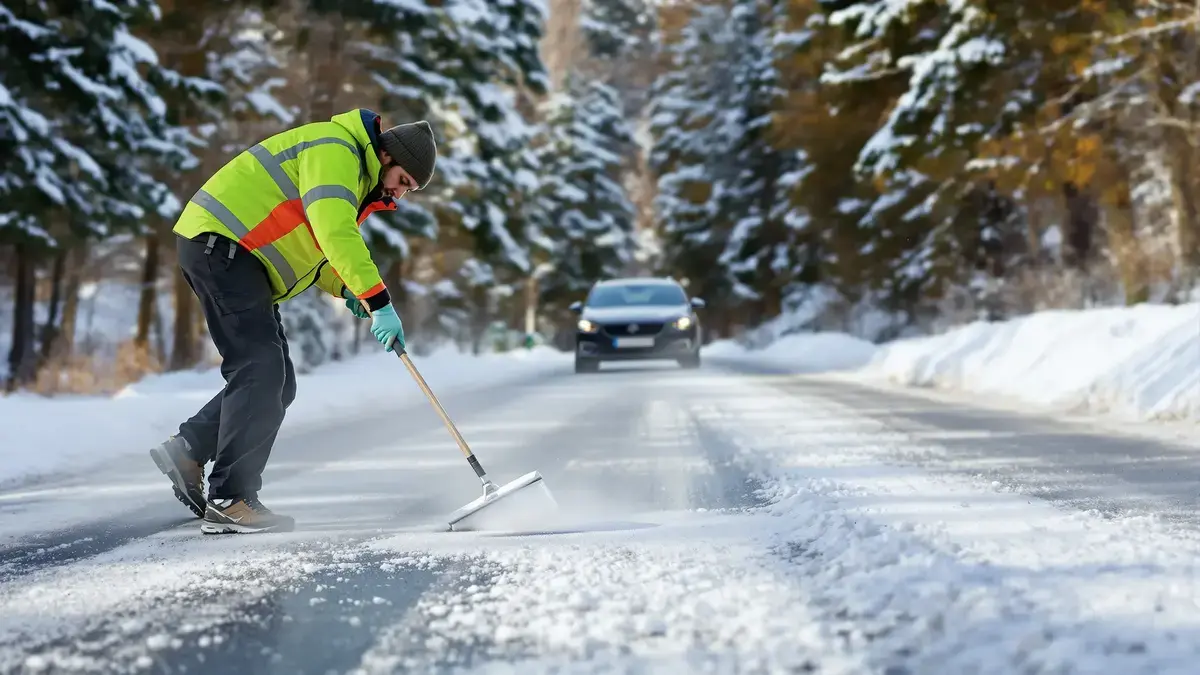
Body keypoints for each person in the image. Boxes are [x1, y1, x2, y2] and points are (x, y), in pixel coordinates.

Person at [148, 108, 437, 535]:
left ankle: (189, 449)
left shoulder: (353, 173)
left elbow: (317, 251)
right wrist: (379, 301)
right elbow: (335, 233)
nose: (399, 195)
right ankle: (231, 498)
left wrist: (348, 290)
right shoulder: (336, 150)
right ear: (389, 158)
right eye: (404, 182)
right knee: (259, 367)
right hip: (223, 244)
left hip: (235, 256)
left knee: (278, 380)